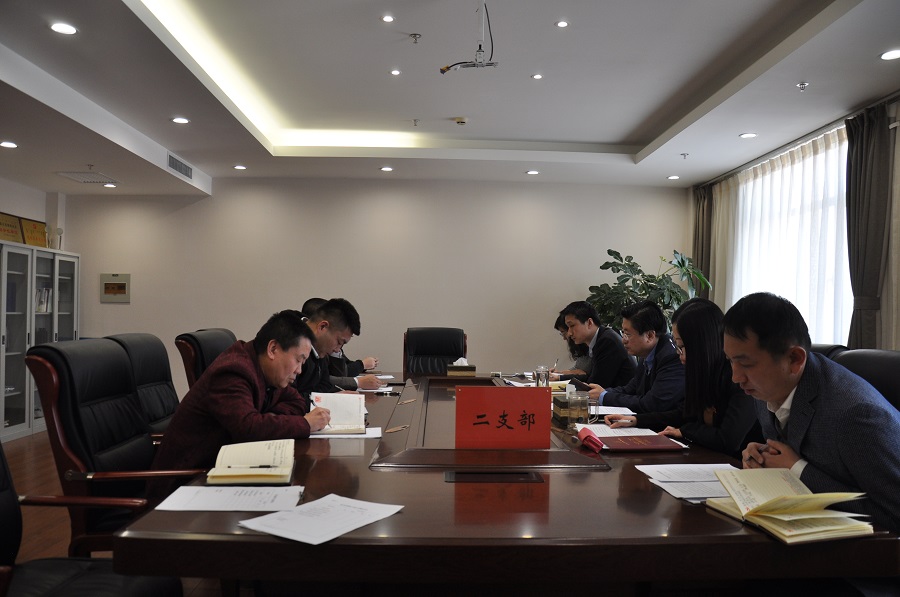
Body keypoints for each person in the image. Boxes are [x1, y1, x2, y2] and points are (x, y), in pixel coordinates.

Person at [729, 292, 900, 533]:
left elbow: (894, 513)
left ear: (794, 359)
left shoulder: (856, 415)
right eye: (730, 361)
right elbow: (796, 444)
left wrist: (798, 470)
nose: (736, 377)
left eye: (746, 364)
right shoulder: (767, 387)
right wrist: (762, 456)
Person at [150, 310, 331, 498]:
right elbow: (248, 428)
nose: (299, 370)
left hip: (222, 471)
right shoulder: (234, 371)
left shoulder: (265, 371)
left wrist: (267, 418)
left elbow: (297, 401)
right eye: (298, 360)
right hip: (184, 484)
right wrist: (305, 424)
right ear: (273, 349)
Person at [605, 298, 762, 458]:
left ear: (702, 344)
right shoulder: (703, 373)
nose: (679, 355)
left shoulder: (738, 378)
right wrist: (636, 420)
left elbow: (727, 439)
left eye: (682, 347)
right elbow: (684, 413)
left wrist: (685, 431)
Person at [589, 300, 685, 413]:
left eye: (628, 334)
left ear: (650, 336)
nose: (623, 340)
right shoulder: (647, 352)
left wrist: (604, 397)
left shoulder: (671, 356)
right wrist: (600, 392)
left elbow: (653, 403)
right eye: (623, 333)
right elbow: (630, 389)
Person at [294, 297, 384, 397]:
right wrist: (328, 399)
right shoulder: (292, 342)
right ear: (322, 327)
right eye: (339, 342)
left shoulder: (319, 349)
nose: (337, 350)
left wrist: (332, 397)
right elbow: (290, 399)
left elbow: (324, 385)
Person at [555, 301, 634, 388]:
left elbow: (594, 384)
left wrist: (561, 379)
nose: (569, 333)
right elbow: (590, 377)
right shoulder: (599, 339)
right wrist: (559, 377)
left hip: (621, 395)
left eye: (572, 326)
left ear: (589, 323)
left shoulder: (607, 342)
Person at [550, 314, 592, 380]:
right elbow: (578, 369)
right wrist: (559, 373)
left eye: (563, 332)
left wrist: (560, 376)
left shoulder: (592, 347)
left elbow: (584, 374)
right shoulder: (581, 348)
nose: (564, 338)